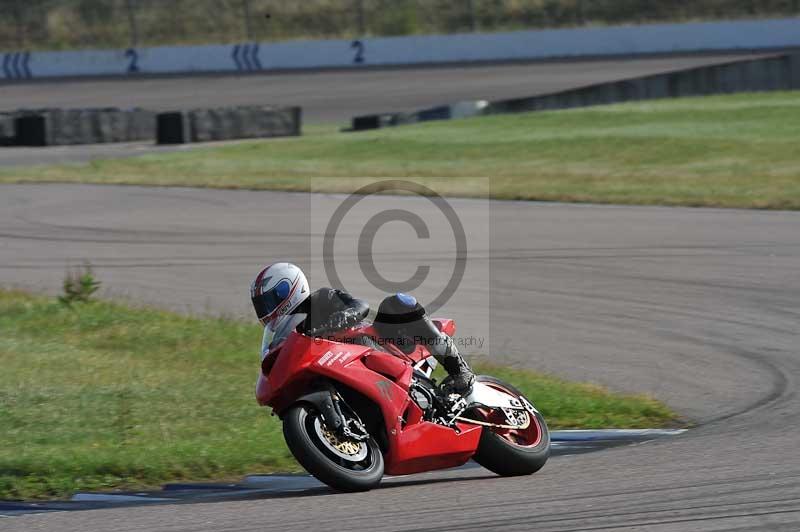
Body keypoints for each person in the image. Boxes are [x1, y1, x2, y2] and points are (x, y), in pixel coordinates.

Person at [250, 262, 475, 394]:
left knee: (396, 302)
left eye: (269, 301)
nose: (265, 309)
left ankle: (459, 370)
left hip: (379, 345)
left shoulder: (321, 299)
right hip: (340, 370)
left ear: (287, 289)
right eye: (260, 305)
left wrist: (342, 317)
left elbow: (360, 305)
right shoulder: (285, 334)